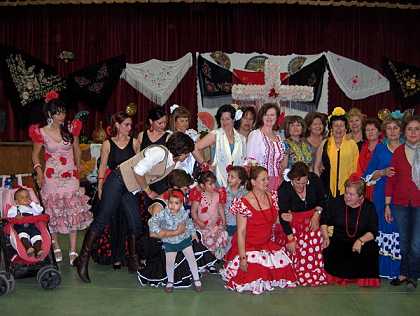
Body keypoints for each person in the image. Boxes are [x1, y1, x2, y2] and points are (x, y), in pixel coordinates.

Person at [74, 132, 194, 283]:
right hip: (117, 181)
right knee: (102, 220)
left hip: (129, 189)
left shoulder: (171, 162)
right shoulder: (159, 152)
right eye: (187, 153)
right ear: (180, 150)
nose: (187, 156)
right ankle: (82, 260)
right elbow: (138, 170)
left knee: (135, 224)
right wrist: (148, 191)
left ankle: (133, 261)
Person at [30, 91, 92, 265]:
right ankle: (56, 245)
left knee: (73, 210)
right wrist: (39, 171)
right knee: (52, 211)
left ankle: (73, 250)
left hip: (70, 175)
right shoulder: (40, 132)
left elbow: (77, 148)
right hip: (51, 176)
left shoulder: (71, 128)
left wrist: (78, 166)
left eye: (63, 112)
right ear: (49, 114)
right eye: (57, 112)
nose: (61, 115)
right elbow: (35, 155)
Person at [220, 166, 296, 295]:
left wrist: (283, 217)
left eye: (267, 179)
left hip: (267, 245)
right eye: (263, 179)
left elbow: (273, 220)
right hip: (248, 247)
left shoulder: (272, 196)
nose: (267, 182)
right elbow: (241, 232)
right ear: (253, 182)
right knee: (253, 277)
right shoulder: (243, 202)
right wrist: (243, 258)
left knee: (285, 272)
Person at [137, 169, 217, 289]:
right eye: (185, 189)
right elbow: (153, 234)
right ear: (175, 187)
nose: (187, 191)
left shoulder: (175, 199)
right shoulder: (159, 205)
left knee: (194, 237)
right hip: (158, 243)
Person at [93, 111, 139, 270]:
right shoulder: (107, 144)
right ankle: (116, 257)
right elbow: (102, 166)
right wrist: (100, 186)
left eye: (130, 125)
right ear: (117, 125)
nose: (129, 127)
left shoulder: (134, 142)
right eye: (126, 124)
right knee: (113, 221)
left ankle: (130, 256)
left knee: (129, 220)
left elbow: (140, 167)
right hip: (113, 186)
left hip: (129, 187)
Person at [321, 175, 380, 287]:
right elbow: (323, 220)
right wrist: (325, 237)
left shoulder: (369, 207)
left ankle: (364, 278)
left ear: (361, 196)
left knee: (371, 248)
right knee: (330, 248)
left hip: (361, 241)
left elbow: (373, 231)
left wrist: (360, 241)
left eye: (351, 194)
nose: (347, 197)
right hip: (339, 240)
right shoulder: (337, 202)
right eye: (346, 193)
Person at [275, 162, 328, 286]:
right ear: (291, 179)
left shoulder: (314, 180)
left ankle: (312, 271)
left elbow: (323, 200)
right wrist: (290, 239)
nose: (300, 186)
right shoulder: (284, 188)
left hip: (312, 220)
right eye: (297, 183)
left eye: (304, 183)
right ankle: (296, 272)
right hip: (292, 224)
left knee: (315, 238)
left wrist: (316, 214)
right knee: (294, 246)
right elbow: (283, 217)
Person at [364, 117, 402, 279]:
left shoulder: (409, 147)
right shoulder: (380, 148)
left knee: (401, 229)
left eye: (396, 128)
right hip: (381, 195)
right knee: (384, 228)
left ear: (401, 130)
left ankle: (402, 270)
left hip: (402, 195)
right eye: (389, 128)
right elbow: (368, 175)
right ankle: (384, 269)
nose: (392, 131)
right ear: (384, 131)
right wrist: (383, 172)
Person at [385, 116, 420, 290]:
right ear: (404, 133)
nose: (413, 132)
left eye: (417, 129)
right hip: (399, 204)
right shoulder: (398, 152)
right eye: (410, 129)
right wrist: (387, 205)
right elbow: (391, 180)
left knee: (416, 243)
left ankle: (413, 275)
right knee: (405, 241)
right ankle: (405, 274)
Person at [148, 189, 202, 293]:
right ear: (167, 202)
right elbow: (152, 221)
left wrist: (193, 233)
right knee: (169, 263)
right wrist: (159, 231)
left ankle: (196, 279)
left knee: (191, 259)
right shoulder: (163, 213)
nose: (173, 205)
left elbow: (189, 222)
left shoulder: (183, 213)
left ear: (181, 204)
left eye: (176, 203)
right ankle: (170, 281)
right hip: (170, 243)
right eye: (170, 202)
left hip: (184, 240)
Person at [194, 104, 247, 187]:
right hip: (217, 180)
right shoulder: (215, 134)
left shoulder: (242, 139)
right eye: (222, 119)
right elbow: (194, 148)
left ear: (234, 120)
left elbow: (244, 160)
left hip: (236, 183)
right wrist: (205, 165)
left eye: (227, 119)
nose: (224, 122)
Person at [314, 107, 359, 198]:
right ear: (331, 128)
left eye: (341, 125)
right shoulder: (325, 143)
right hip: (326, 189)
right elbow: (316, 167)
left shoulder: (352, 144)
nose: (339, 128)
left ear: (345, 128)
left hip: (347, 189)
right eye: (335, 125)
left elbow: (356, 167)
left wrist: (353, 186)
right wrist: (319, 186)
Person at [247, 103, 288, 191]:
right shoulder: (255, 134)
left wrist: (281, 177)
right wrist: (257, 180)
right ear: (261, 117)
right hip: (260, 181)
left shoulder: (279, 137)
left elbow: (282, 162)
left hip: (277, 180)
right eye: (266, 115)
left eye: (272, 115)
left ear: (276, 117)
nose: (269, 118)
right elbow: (250, 161)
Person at [190, 171, 228, 259]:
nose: (214, 186)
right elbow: (193, 212)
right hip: (202, 227)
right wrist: (198, 221)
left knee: (222, 236)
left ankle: (215, 257)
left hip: (214, 226)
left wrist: (224, 220)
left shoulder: (217, 195)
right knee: (207, 242)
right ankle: (208, 259)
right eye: (210, 184)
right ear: (203, 185)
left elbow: (220, 208)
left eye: (214, 183)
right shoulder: (198, 196)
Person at [8, 188, 44, 258]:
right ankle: (29, 248)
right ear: (16, 201)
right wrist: (15, 217)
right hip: (21, 227)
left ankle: (38, 249)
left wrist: (32, 203)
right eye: (22, 197)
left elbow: (40, 211)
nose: (25, 198)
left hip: (32, 227)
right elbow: (9, 215)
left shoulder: (32, 208)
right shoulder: (15, 208)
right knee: (23, 236)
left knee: (37, 237)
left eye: (27, 196)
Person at [169, 104, 199, 176]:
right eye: (182, 121)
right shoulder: (169, 136)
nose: (185, 124)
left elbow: (200, 156)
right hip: (174, 171)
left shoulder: (193, 135)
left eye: (186, 120)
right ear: (174, 122)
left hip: (193, 171)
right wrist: (178, 158)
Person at [355, 118, 381, 200]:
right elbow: (358, 168)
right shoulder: (361, 147)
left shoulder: (384, 148)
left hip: (380, 188)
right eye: (367, 130)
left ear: (379, 132)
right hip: (363, 187)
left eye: (373, 129)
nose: (370, 132)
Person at [224, 165, 248, 252]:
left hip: (240, 225)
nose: (229, 179)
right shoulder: (224, 192)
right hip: (228, 223)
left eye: (232, 177)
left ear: (239, 180)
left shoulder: (245, 194)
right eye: (228, 176)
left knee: (239, 244)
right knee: (228, 244)